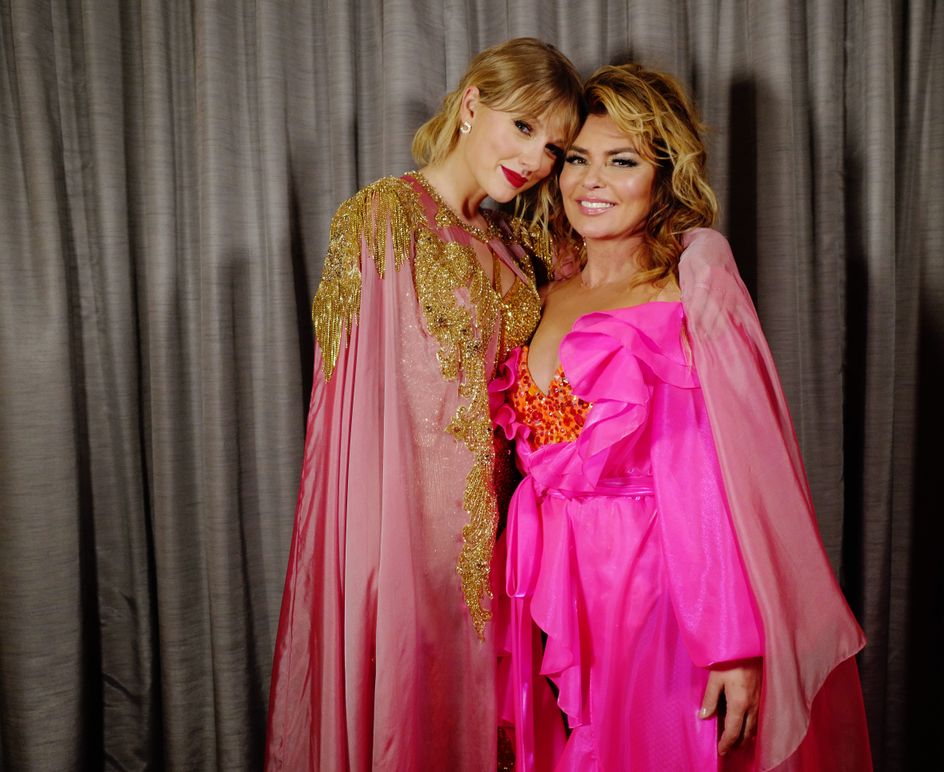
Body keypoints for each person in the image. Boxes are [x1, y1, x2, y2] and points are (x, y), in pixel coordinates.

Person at [492, 64, 872, 770]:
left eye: (622, 161)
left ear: (664, 176)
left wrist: (732, 643)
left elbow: (713, 477)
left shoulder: (685, 286)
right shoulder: (545, 286)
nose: (591, 182)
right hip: (552, 577)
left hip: (658, 587)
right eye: (577, 160)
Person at [265, 38, 583, 771]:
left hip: (504, 544)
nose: (536, 161)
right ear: (473, 104)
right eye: (524, 128)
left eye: (554, 147)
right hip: (402, 540)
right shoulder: (386, 215)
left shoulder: (515, 243)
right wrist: (374, 563)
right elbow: (351, 416)